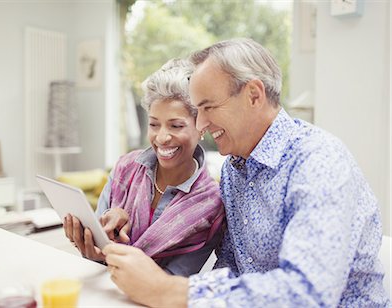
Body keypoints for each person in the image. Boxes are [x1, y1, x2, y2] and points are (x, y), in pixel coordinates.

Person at [102, 38, 390, 307]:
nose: (200, 124)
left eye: (208, 107)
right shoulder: (235, 168)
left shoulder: (318, 162)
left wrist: (169, 291)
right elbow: (230, 268)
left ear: (253, 95)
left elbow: (308, 293)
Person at [64, 58, 224, 277]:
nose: (162, 137)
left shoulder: (211, 205)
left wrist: (113, 254)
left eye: (176, 125)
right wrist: (94, 249)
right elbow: (96, 251)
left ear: (201, 126)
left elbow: (171, 282)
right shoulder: (125, 168)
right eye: (154, 124)